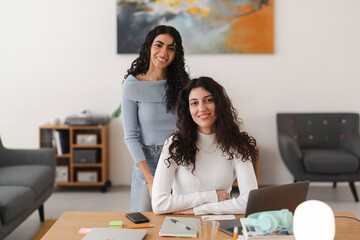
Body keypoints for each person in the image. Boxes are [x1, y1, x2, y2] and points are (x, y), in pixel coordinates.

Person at [152, 76, 258, 215]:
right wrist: (212, 196)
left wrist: (200, 209)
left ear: (219, 104)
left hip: (219, 224)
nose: (202, 108)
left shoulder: (237, 145)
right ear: (188, 109)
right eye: (194, 103)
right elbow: (159, 203)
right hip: (182, 224)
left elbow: (251, 202)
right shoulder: (174, 145)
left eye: (208, 100)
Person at [121, 25, 190, 212]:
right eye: (158, 45)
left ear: (176, 53)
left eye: (170, 48)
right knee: (143, 222)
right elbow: (130, 137)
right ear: (149, 47)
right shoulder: (132, 85)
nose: (163, 52)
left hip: (180, 157)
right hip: (148, 161)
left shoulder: (182, 84)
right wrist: (150, 180)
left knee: (180, 221)